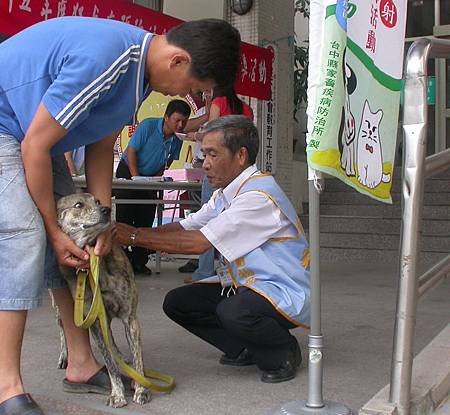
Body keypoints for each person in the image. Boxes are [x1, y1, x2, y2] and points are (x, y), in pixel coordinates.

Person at [0, 16, 240, 414]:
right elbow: (35, 149)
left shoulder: (138, 79)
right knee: (26, 234)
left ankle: (81, 364)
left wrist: (103, 221)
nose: (190, 99)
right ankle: (7, 387)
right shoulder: (108, 59)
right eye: (195, 89)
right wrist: (52, 231)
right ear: (179, 62)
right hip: (9, 128)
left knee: (81, 241)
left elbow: (100, 147)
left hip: (30, 134)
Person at [113, 115, 311, 384]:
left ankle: (283, 351)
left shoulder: (257, 198)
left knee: (233, 311)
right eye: (204, 154)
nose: (204, 164)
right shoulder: (226, 193)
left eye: (212, 154)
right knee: (179, 303)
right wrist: (121, 231)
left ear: (240, 155)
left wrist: (134, 236)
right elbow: (186, 227)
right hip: (249, 285)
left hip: (281, 290)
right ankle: (244, 346)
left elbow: (198, 243)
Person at [179, 85, 254, 282]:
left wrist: (194, 136)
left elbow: (211, 136)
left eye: (208, 91)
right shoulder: (247, 109)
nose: (206, 95)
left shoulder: (218, 104)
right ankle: (229, 272)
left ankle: (204, 272)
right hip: (238, 170)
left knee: (208, 218)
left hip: (221, 166)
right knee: (231, 221)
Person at [115, 99, 191, 275]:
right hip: (129, 171)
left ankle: (139, 261)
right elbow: (132, 151)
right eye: (177, 120)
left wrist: (155, 178)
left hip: (150, 178)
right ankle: (121, 263)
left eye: (184, 122)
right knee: (125, 215)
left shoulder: (177, 139)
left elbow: (169, 159)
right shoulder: (148, 126)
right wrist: (136, 178)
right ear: (166, 117)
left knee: (146, 216)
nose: (180, 125)